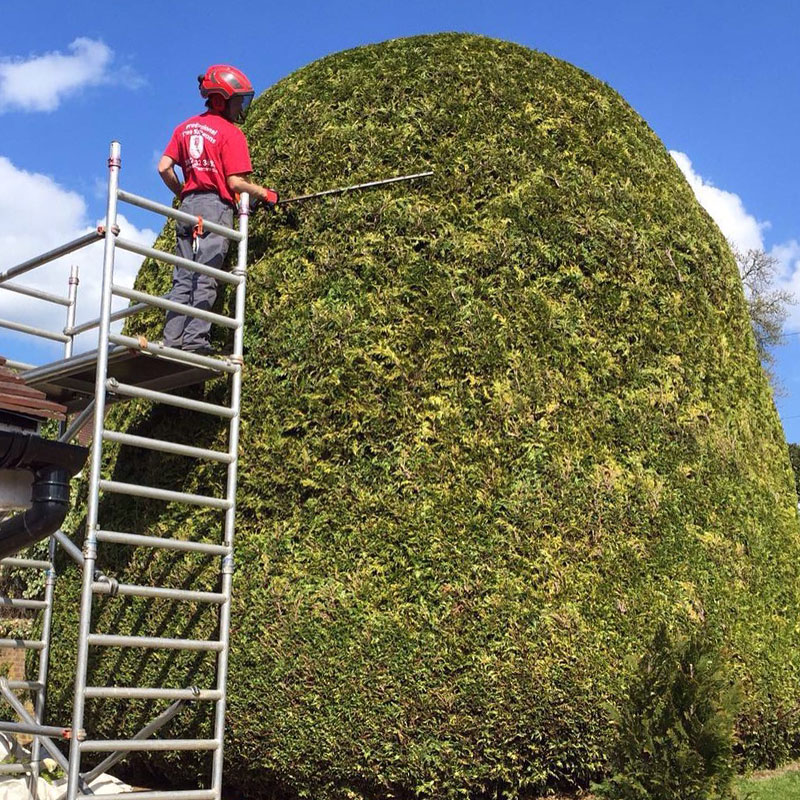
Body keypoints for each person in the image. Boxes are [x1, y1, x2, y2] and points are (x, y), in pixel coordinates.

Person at [157, 64, 278, 354]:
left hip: (187, 207)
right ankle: (195, 343)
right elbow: (235, 182)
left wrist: (184, 193)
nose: (240, 108)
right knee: (207, 275)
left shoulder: (184, 127)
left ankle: (171, 340)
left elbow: (163, 167)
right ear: (222, 99)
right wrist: (265, 193)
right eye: (238, 101)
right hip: (215, 207)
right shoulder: (231, 133)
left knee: (183, 276)